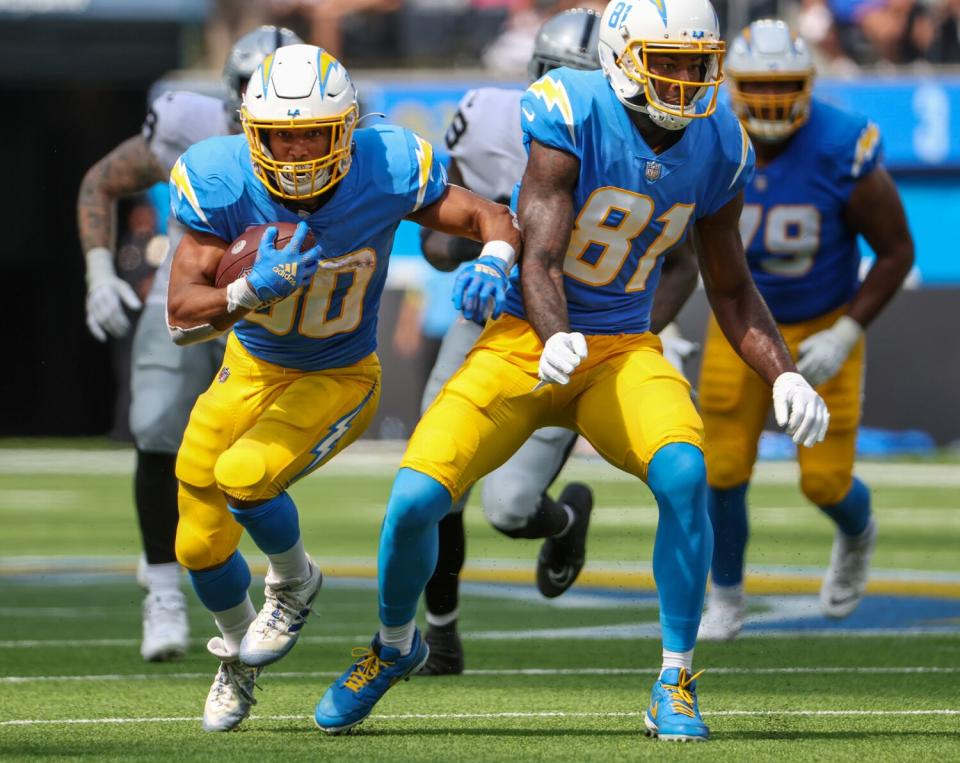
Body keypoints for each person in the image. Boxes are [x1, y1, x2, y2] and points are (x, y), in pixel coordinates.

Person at [315, 0, 830, 742]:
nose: (687, 81)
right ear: (622, 59)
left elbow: (729, 282)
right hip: (527, 337)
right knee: (413, 499)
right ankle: (395, 646)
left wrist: (781, 373)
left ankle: (675, 679)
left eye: (697, 64)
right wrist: (555, 334)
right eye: (669, 63)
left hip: (620, 345)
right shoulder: (570, 110)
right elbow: (543, 255)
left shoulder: (721, 139)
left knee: (686, 473)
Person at [165, 43, 520, 732]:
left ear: (347, 130)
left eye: (313, 134)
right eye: (280, 135)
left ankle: (294, 581)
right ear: (250, 131)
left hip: (338, 374)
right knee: (197, 544)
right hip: (251, 366)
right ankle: (238, 656)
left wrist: (497, 260)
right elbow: (182, 310)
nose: (296, 152)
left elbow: (490, 219)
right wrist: (242, 289)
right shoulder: (220, 178)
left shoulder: (385, 166)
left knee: (246, 473)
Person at [416, 6, 700, 677]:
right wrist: (486, 231)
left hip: (586, 328)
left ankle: (563, 524)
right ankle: (441, 632)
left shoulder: (644, 134)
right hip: (494, 316)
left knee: (511, 508)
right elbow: (432, 242)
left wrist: (633, 331)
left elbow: (685, 258)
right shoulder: (490, 117)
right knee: (435, 480)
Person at [76, 26, 303, 662]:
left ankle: (278, 579)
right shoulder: (187, 121)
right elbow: (101, 180)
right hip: (189, 299)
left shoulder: (329, 139)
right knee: (155, 429)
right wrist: (98, 268)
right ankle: (163, 588)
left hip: (280, 309)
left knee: (252, 457)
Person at [697, 20, 914, 641]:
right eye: (758, 86)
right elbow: (680, 239)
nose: (770, 100)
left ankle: (856, 531)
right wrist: (656, 320)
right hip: (741, 325)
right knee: (723, 467)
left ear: (810, 84)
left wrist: (846, 330)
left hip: (820, 325)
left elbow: (896, 251)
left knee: (824, 480)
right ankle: (726, 594)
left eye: (786, 85)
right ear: (731, 86)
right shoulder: (707, 136)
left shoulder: (841, 143)